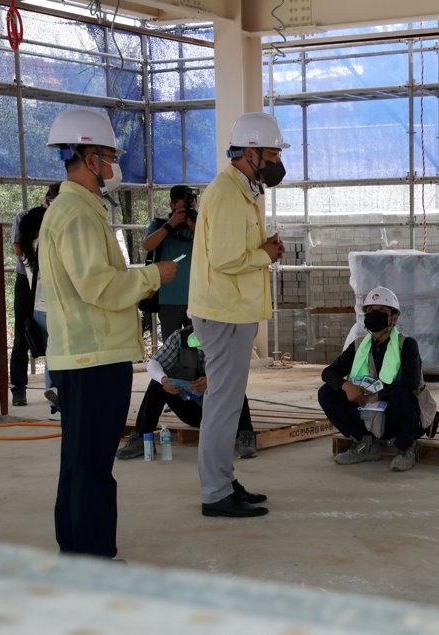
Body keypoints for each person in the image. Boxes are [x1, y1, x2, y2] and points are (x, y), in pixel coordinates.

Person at [39, 108, 177, 558]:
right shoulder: (76, 213)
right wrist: (153, 275)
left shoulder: (79, 209)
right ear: (89, 156)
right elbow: (98, 285)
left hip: (86, 353)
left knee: (80, 461)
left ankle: (75, 547)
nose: (114, 164)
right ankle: (91, 555)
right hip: (92, 356)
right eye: (109, 155)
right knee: (94, 463)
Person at [188, 111, 287, 518]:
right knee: (223, 405)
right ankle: (215, 492)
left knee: (226, 404)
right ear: (251, 152)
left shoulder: (242, 191)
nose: (277, 161)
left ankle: (223, 481)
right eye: (272, 153)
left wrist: (262, 248)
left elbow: (231, 251)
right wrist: (264, 254)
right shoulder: (228, 193)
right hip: (223, 313)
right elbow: (228, 259)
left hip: (231, 311)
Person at [318, 287, 426, 472]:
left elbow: (411, 381)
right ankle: (366, 443)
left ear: (394, 317)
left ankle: (405, 447)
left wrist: (380, 395)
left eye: (381, 312)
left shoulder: (406, 345)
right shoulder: (359, 345)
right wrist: (346, 386)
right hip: (368, 411)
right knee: (326, 392)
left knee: (402, 394)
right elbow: (329, 373)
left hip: (395, 413)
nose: (373, 315)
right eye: (370, 311)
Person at [116, 324, 258, 461]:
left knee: (235, 386)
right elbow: (154, 363)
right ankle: (142, 438)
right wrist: (164, 380)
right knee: (157, 385)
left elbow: (237, 371)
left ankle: (245, 435)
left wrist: (212, 381)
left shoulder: (229, 340)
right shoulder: (181, 337)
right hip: (193, 410)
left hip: (220, 412)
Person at [8, 182, 60, 406]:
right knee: (24, 336)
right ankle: (19, 389)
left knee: (51, 346)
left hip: (40, 288)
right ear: (47, 199)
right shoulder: (26, 216)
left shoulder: (54, 221)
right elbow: (17, 247)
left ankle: (54, 393)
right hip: (28, 285)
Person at [142, 185, 198, 338]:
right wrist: (170, 225)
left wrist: (196, 229)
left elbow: (214, 249)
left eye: (189, 205)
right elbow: (147, 245)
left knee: (197, 348)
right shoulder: (160, 225)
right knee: (171, 346)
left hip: (197, 298)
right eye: (182, 206)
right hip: (168, 298)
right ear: (172, 205)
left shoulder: (199, 225)